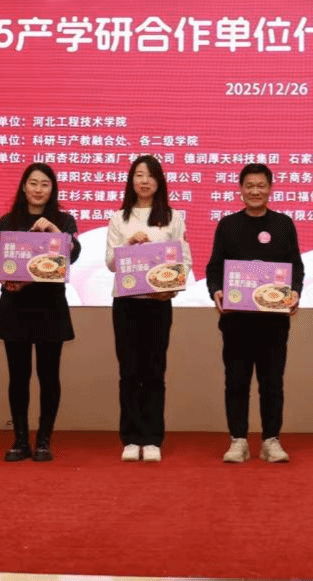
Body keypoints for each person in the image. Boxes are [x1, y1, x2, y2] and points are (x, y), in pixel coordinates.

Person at [205, 163, 304, 464]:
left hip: (273, 322)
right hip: (236, 321)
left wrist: (295, 291)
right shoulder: (228, 225)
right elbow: (214, 267)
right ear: (241, 189)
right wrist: (216, 290)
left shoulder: (283, 225)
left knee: (272, 383)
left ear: (270, 189)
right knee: (236, 382)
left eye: (261, 185)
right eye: (250, 185)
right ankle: (238, 440)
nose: (255, 191)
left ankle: (271, 440)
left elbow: (296, 267)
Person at [0, 163, 81, 463]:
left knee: (49, 376)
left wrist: (51, 229)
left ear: (52, 189)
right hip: (15, 305)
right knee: (18, 376)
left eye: (45, 184)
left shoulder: (64, 220)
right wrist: (4, 277)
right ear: (24, 186)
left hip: (50, 306)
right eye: (33, 183)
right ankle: (19, 440)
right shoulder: (8, 221)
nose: (38, 189)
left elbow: (73, 253)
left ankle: (43, 441)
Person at [105, 154, 191, 463]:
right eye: (139, 175)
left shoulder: (172, 216)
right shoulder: (119, 218)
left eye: (150, 175)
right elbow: (111, 263)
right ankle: (131, 437)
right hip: (127, 304)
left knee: (155, 371)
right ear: (131, 181)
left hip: (158, 304)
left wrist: (171, 288)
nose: (144, 181)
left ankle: (153, 437)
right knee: (129, 372)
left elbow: (184, 260)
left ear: (159, 181)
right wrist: (128, 244)